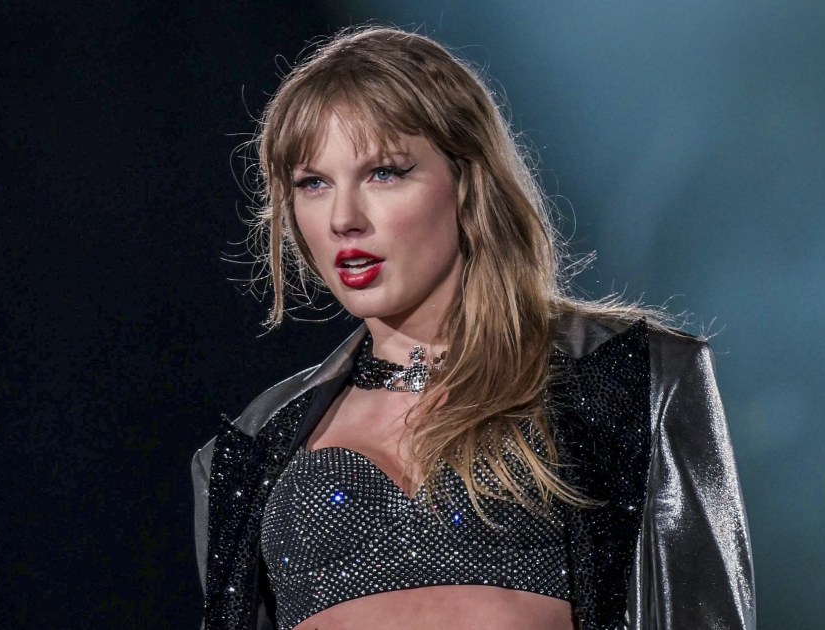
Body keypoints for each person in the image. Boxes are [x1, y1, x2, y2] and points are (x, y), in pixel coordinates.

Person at [192, 26, 754, 630]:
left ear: (467, 181)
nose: (343, 219)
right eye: (313, 183)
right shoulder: (250, 451)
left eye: (384, 173)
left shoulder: (631, 380)